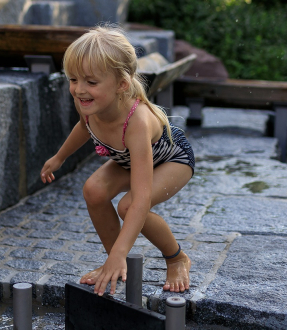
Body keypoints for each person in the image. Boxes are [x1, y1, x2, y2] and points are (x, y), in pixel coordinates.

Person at [40, 25, 195, 295]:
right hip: (130, 159)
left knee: (129, 206)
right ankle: (115, 263)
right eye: (73, 79)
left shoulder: (136, 122)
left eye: (90, 81)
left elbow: (141, 199)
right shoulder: (88, 102)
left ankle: (176, 257)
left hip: (172, 159)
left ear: (121, 84)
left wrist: (122, 250)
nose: (78, 89)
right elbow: (83, 126)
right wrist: (60, 157)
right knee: (94, 190)